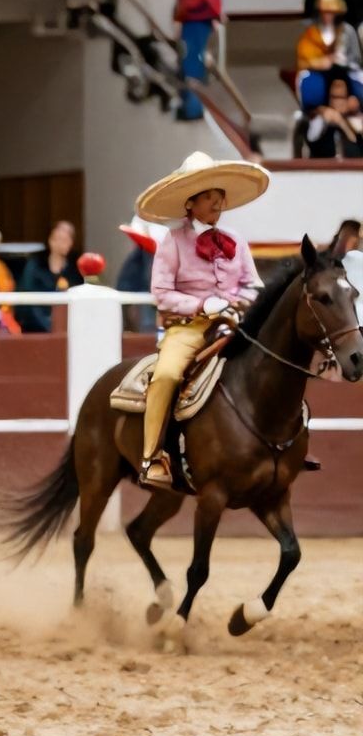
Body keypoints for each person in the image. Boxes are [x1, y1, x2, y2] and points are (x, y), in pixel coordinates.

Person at [133, 152, 267, 489]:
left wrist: (241, 302)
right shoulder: (172, 241)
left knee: (276, 362)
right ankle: (152, 458)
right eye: (208, 196)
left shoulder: (236, 239)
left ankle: (283, 445)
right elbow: (161, 292)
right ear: (189, 204)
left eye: (219, 195)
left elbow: (254, 284)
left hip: (237, 324)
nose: (217, 202)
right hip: (190, 329)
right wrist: (206, 304)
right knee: (165, 375)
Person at [174, 0, 221, 121]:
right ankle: (188, 104)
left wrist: (186, 5)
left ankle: (193, 108)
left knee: (193, 65)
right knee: (187, 64)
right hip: (191, 22)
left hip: (197, 23)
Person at [295, 0, 363, 110]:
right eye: (325, 12)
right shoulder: (311, 31)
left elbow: (356, 58)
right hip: (318, 69)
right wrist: (321, 62)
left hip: (345, 68)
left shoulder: (347, 30)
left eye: (332, 12)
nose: (328, 16)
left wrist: (343, 61)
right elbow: (304, 58)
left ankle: (350, 104)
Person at [13, 219, 83, 334]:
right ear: (51, 240)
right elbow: (27, 298)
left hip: (70, 330)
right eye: (60, 239)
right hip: (36, 329)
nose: (65, 243)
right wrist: (48, 326)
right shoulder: (35, 265)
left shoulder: (76, 268)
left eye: (68, 239)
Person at [308, 73, 363, 159]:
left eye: (341, 97)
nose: (337, 102)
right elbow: (311, 137)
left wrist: (342, 122)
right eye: (334, 97)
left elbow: (355, 141)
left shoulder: (355, 120)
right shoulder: (321, 119)